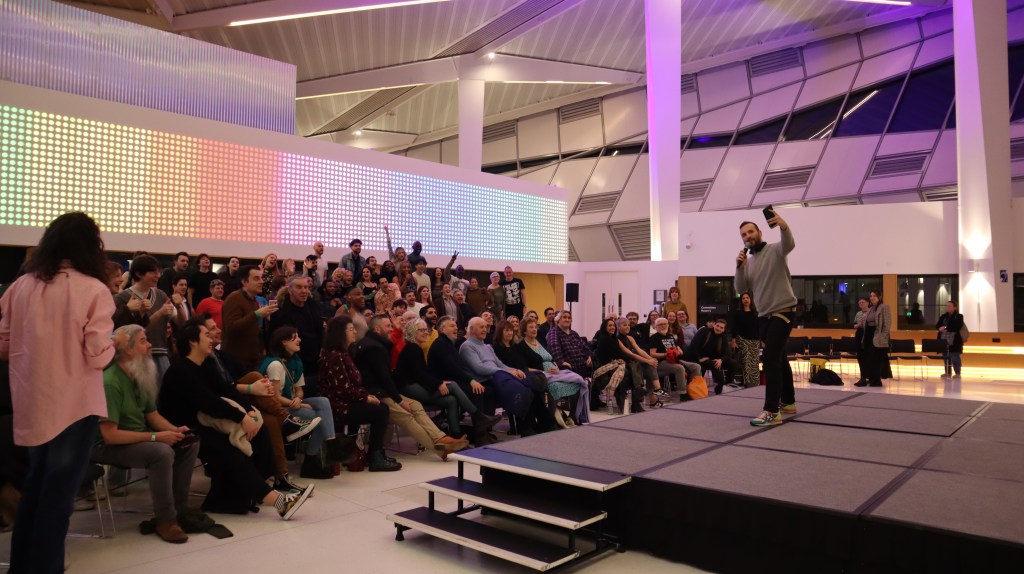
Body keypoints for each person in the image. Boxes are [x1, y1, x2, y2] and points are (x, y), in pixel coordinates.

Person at [0, 212, 116, 573]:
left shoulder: (19, 287)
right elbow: (98, 356)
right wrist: (116, 348)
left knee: (35, 491)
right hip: (74, 406)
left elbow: (4, 346)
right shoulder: (93, 289)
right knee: (57, 500)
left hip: (31, 403)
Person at [158, 320, 312, 518]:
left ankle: (256, 489)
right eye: (206, 334)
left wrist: (250, 411)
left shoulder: (205, 364)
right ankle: (278, 502)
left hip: (208, 421)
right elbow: (208, 402)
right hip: (184, 428)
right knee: (230, 449)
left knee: (260, 431)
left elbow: (226, 389)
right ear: (192, 342)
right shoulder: (180, 370)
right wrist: (241, 417)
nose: (211, 339)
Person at [93, 325, 198, 544]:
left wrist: (174, 430)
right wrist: (156, 437)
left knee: (188, 442)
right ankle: (166, 519)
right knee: (160, 452)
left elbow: (152, 415)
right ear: (128, 349)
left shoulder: (138, 373)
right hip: (107, 445)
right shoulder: (110, 381)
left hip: (135, 436)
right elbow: (110, 435)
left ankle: (179, 509)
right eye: (143, 341)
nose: (150, 345)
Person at [354, 315, 469, 460]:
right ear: (377, 329)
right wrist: (399, 400)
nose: (392, 329)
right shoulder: (374, 348)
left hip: (383, 391)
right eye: (388, 326)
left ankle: (442, 438)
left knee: (416, 405)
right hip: (375, 394)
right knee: (406, 415)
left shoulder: (377, 345)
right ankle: (441, 449)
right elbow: (383, 378)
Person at [735, 214, 797, 426]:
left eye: (751, 231)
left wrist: (783, 225)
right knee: (779, 357)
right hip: (763, 317)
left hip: (783, 311)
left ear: (760, 233)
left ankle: (772, 410)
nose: (748, 236)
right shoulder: (749, 263)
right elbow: (740, 289)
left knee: (770, 358)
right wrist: (739, 268)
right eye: (744, 234)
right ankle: (788, 402)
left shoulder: (775, 250)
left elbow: (789, 244)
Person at [318, 316, 401, 472]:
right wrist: (365, 397)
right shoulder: (335, 356)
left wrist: (366, 396)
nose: (355, 332)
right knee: (381, 411)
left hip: (347, 400)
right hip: (338, 405)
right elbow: (342, 390)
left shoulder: (345, 353)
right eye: (351, 330)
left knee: (380, 408)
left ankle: (376, 454)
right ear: (340, 333)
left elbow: (353, 385)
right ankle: (375, 457)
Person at [260, 327, 343, 479]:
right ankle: (311, 462)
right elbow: (274, 397)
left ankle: (331, 446)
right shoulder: (275, 365)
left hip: (292, 402)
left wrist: (298, 398)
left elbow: (299, 389)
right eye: (294, 338)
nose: (299, 340)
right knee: (320, 418)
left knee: (323, 402)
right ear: (284, 342)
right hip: (279, 408)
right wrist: (295, 402)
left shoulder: (295, 361)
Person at [461, 317, 555, 437]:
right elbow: (478, 368)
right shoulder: (467, 346)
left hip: (499, 377)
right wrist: (506, 372)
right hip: (487, 380)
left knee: (532, 388)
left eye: (485, 327)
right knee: (524, 390)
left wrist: (513, 370)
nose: (485, 329)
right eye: (481, 327)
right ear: (471, 329)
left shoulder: (487, 347)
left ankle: (546, 423)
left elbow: (499, 364)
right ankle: (526, 428)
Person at [114, 254, 187, 384]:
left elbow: (181, 323)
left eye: (158, 272)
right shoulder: (122, 299)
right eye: (153, 272)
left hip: (161, 353)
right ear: (138, 273)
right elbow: (138, 331)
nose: (158, 276)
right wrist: (159, 313)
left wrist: (179, 306)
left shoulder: (160, 294)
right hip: (136, 357)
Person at [428, 316, 501, 445]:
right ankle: (480, 433)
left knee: (488, 390)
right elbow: (453, 369)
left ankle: (485, 429)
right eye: (451, 325)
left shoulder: (449, 343)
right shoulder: (440, 344)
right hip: (443, 385)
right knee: (477, 391)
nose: (456, 327)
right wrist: (471, 381)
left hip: (453, 381)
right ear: (442, 329)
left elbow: (458, 368)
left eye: (455, 325)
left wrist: (471, 380)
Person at [519, 318, 590, 424]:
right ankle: (551, 419)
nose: (534, 329)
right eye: (531, 327)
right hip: (541, 375)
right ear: (524, 330)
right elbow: (523, 367)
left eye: (535, 327)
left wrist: (556, 366)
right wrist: (543, 371)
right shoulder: (521, 346)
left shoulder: (539, 342)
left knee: (578, 381)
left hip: (555, 372)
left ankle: (573, 416)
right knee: (555, 387)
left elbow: (551, 358)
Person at [268, 275, 325, 395]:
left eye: (306, 287)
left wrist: (322, 347)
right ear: (290, 289)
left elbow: (319, 329)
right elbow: (274, 338)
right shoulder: (280, 311)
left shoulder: (313, 305)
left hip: (314, 358)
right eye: (299, 287)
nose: (304, 291)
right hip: (293, 360)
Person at [221, 265, 278, 372]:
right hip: (235, 361)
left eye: (262, 278)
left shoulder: (254, 300)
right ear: (244, 282)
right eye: (256, 278)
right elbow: (231, 328)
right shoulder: (234, 298)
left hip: (252, 360)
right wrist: (256, 314)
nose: (261, 282)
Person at [648, 317, 701, 395]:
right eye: (660, 324)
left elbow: (677, 349)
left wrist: (679, 352)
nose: (663, 326)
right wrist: (666, 354)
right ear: (656, 327)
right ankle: (682, 392)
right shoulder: (654, 337)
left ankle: (692, 389)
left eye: (665, 324)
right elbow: (652, 354)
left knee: (696, 366)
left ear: (668, 325)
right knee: (679, 368)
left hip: (674, 360)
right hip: (661, 362)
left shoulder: (670, 336)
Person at [684, 318, 735, 395]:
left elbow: (727, 353)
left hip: (714, 359)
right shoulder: (704, 331)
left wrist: (721, 360)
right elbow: (694, 345)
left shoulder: (723, 338)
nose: (718, 328)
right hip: (700, 357)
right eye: (717, 326)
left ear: (724, 330)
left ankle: (728, 383)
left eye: (721, 328)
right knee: (714, 364)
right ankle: (720, 387)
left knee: (733, 363)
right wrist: (699, 358)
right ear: (714, 325)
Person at [857, 290, 891, 388]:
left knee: (875, 358)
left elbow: (887, 324)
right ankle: (872, 379)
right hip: (868, 335)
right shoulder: (871, 308)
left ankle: (876, 380)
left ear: (879, 297)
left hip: (877, 335)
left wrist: (883, 336)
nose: (872, 298)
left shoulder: (884, 307)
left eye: (874, 296)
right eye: (871, 296)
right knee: (869, 358)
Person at [546, 310, 593, 378]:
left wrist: (589, 356)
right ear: (558, 320)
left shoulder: (574, 333)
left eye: (569, 318)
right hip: (570, 368)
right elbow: (554, 348)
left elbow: (585, 347)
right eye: (564, 317)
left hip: (584, 366)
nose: (567, 319)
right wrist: (561, 362)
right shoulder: (554, 332)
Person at [729, 292, 760, 388]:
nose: (745, 299)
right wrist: (733, 340)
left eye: (747, 298)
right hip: (742, 339)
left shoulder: (756, 313)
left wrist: (762, 339)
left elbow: (760, 327)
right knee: (746, 361)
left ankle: (755, 383)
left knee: (754, 363)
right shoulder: (738, 313)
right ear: (741, 301)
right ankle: (748, 383)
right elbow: (734, 327)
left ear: (750, 300)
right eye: (743, 298)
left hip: (755, 341)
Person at [936, 300, 965, 379]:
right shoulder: (943, 316)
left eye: (950, 306)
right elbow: (937, 325)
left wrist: (945, 327)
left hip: (954, 341)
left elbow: (956, 326)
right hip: (943, 340)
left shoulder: (959, 316)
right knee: (945, 357)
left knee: (955, 357)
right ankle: (947, 372)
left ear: (955, 307)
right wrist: (940, 328)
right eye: (947, 306)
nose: (948, 307)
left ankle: (957, 373)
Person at [852, 297, 870, 385]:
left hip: (868, 334)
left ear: (867, 303)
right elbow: (854, 325)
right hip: (859, 333)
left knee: (868, 356)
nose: (861, 304)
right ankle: (863, 377)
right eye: (860, 303)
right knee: (860, 356)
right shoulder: (858, 313)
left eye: (863, 302)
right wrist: (858, 325)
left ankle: (869, 376)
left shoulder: (871, 312)